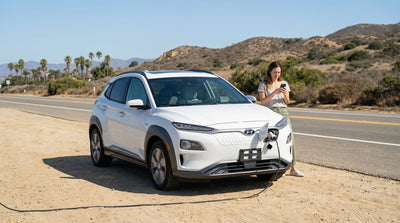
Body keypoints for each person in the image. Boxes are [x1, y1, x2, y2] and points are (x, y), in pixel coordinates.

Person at [257, 61, 304, 177]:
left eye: (278, 72)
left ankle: (293, 167)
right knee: (269, 140)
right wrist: (274, 93)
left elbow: (287, 102)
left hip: (283, 112)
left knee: (290, 139)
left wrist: (283, 94)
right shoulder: (263, 85)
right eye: (275, 72)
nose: (277, 75)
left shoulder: (284, 83)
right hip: (269, 112)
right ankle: (274, 167)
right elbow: (263, 102)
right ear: (269, 71)